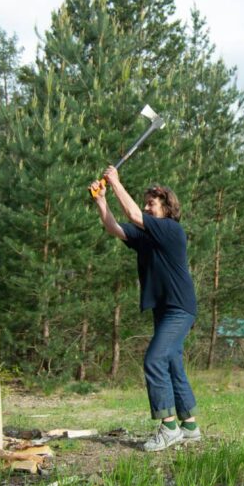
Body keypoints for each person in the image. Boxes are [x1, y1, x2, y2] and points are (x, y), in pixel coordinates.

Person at [90, 167, 200, 452]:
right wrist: (102, 201)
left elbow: (132, 216)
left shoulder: (171, 230)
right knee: (172, 361)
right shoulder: (148, 236)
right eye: (146, 202)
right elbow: (116, 228)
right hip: (164, 309)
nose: (145, 207)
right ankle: (189, 425)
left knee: (154, 359)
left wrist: (114, 182)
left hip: (179, 309)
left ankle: (168, 426)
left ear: (167, 208)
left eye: (151, 202)